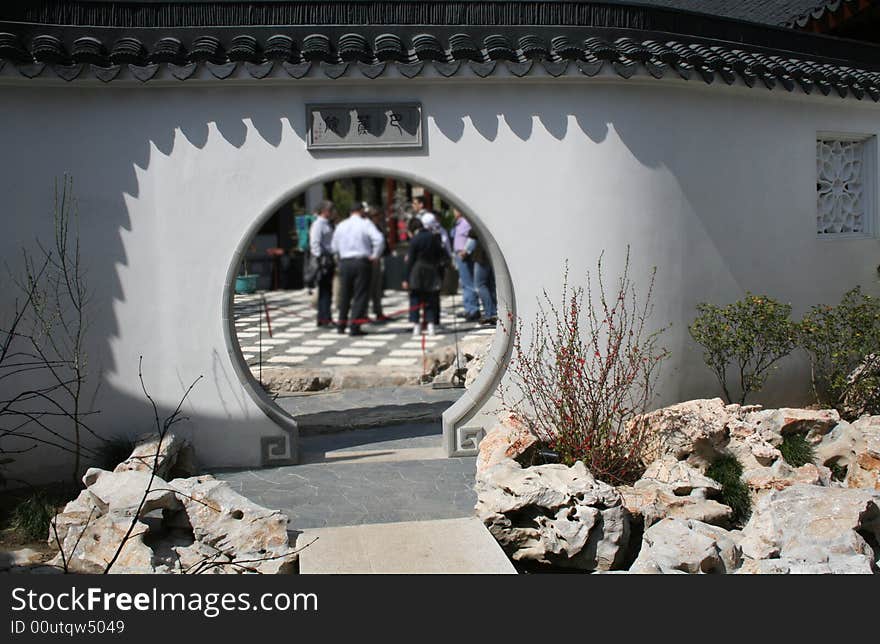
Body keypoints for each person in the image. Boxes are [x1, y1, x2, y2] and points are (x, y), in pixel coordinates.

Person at [330, 202, 384, 336]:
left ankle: (341, 325)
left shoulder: (341, 225)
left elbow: (334, 246)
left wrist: (340, 254)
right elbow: (379, 239)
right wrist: (375, 255)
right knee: (360, 294)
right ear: (360, 211)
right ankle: (355, 326)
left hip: (345, 262)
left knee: (345, 294)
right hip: (361, 261)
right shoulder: (365, 223)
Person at [402, 217, 445, 337]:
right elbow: (441, 254)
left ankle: (416, 326)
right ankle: (430, 325)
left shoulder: (415, 240)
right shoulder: (433, 237)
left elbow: (410, 260)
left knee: (415, 297)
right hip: (431, 270)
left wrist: (405, 278)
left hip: (417, 270)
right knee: (430, 298)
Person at [306, 200, 336, 326]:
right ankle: (323, 319)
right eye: (330, 210)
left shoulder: (327, 224)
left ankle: (326, 317)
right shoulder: (318, 224)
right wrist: (320, 259)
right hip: (323, 261)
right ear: (324, 211)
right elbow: (314, 243)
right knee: (324, 290)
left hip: (329, 259)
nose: (332, 212)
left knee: (328, 291)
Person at [449, 208, 480, 322]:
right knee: (463, 283)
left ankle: (473, 310)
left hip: (464, 255)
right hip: (458, 254)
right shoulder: (458, 223)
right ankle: (468, 308)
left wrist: (466, 251)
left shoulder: (466, 222)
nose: (454, 212)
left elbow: (472, 238)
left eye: (456, 210)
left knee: (468, 283)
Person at [466, 230, 497, 325]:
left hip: (482, 256)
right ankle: (493, 312)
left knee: (480, 285)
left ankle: (490, 313)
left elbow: (472, 233)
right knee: (489, 285)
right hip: (490, 254)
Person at [367, 206, 391, 324]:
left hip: (377, 259)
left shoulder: (378, 227)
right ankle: (365, 313)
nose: (380, 218)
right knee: (368, 288)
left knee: (377, 288)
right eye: (377, 216)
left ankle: (378, 311)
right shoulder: (368, 227)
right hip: (370, 260)